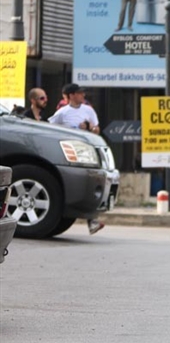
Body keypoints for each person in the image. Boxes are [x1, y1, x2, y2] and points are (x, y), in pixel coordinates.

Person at [49, 83, 104, 235]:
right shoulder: (62, 113)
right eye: (80, 93)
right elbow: (50, 128)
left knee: (91, 185)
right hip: (70, 155)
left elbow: (97, 130)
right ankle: (89, 220)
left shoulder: (88, 110)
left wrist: (89, 128)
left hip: (87, 153)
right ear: (72, 95)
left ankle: (92, 221)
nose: (83, 96)